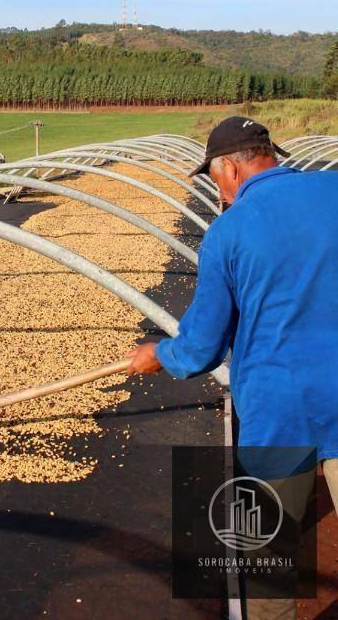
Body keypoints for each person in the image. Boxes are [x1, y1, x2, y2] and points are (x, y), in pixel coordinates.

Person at [124, 116, 338, 618]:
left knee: (269, 566)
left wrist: (158, 355)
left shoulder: (230, 230)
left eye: (215, 179)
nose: (218, 191)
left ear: (231, 169)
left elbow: (202, 345)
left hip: (279, 414)